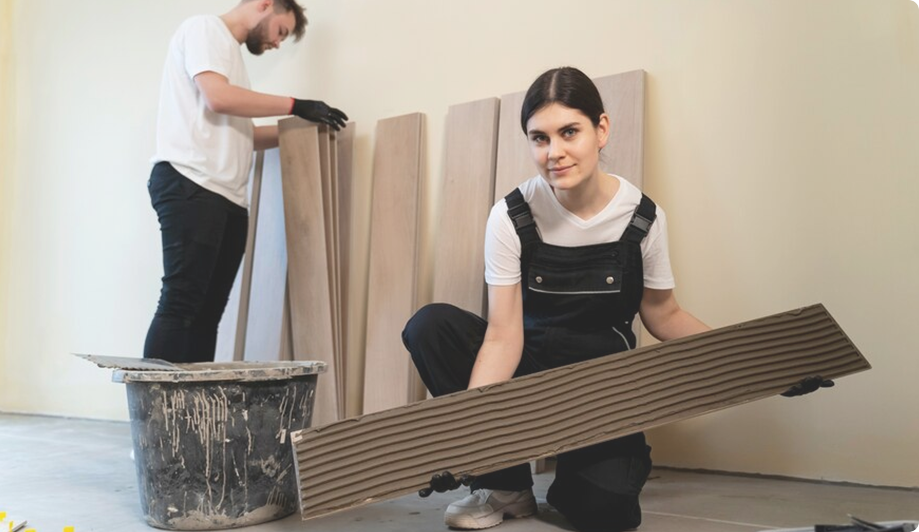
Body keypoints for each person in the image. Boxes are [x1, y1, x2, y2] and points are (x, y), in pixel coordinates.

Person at [401, 66, 711, 532]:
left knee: (605, 514)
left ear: (601, 130)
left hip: (601, 391)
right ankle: (505, 485)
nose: (555, 153)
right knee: (431, 324)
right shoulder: (511, 216)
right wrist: (466, 439)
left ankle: (578, 477)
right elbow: (503, 336)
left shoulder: (643, 218)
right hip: (529, 373)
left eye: (569, 132)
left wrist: (759, 362)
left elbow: (663, 315)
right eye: (539, 138)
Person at [144, 0, 347, 363]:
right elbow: (217, 99)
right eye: (281, 32)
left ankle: (195, 416)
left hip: (227, 197)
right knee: (181, 303)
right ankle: (155, 416)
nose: (277, 44)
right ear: (264, 5)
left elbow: (246, 137)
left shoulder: (232, 60)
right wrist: (295, 104)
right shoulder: (204, 29)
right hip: (192, 183)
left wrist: (303, 130)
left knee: (208, 315)